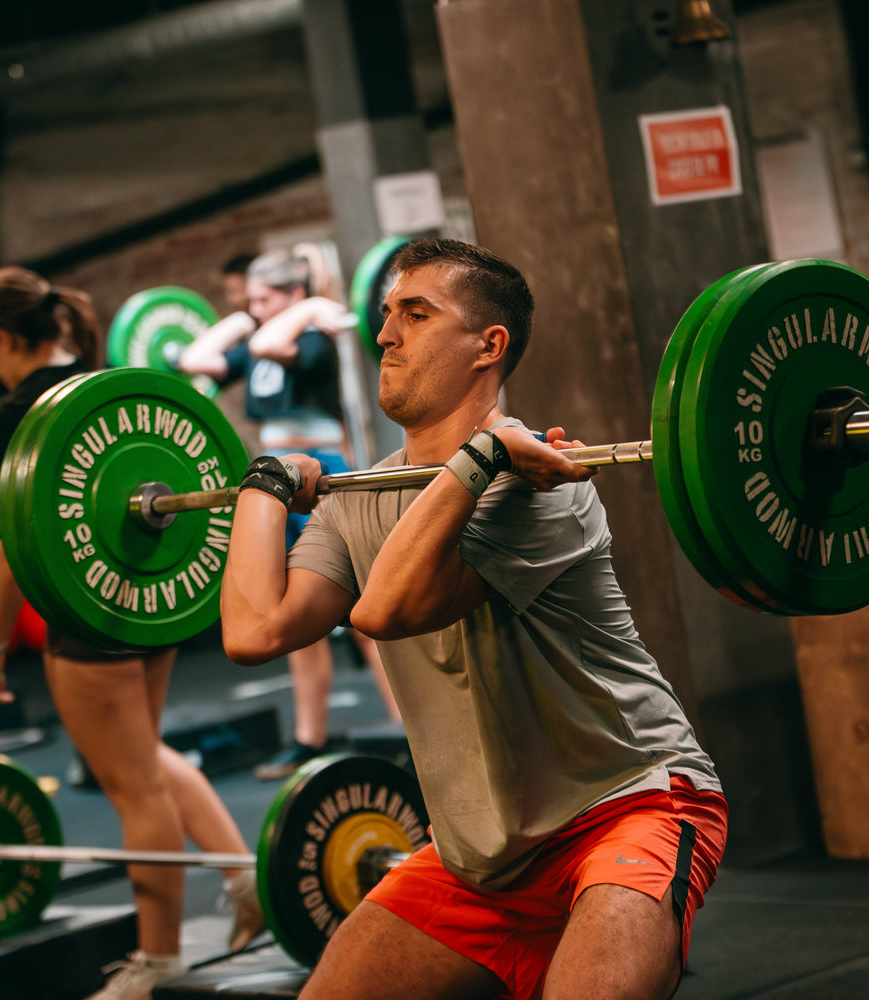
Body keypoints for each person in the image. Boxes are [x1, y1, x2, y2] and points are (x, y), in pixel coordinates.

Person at [220, 238, 726, 999]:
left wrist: (485, 453)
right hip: (480, 856)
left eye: (416, 314)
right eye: (387, 314)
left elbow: (389, 609)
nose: (385, 334)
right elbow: (254, 631)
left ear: (488, 346)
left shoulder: (542, 485)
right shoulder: (361, 497)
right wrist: (264, 484)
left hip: (626, 805)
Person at [0, 266, 264, 998]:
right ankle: (250, 884)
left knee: (131, 785)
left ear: (6, 337)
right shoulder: (108, 386)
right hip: (150, 601)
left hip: (84, 619)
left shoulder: (14, 414)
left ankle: (158, 960)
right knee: (144, 760)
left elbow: (8, 546)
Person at [181, 247, 401, 781]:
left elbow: (268, 344)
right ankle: (309, 737)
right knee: (289, 609)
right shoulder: (264, 332)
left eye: (263, 299)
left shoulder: (311, 336)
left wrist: (304, 310)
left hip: (322, 473)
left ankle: (406, 725)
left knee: (363, 609)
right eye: (251, 301)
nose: (254, 309)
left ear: (294, 295)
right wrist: (241, 319)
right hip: (278, 479)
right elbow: (194, 360)